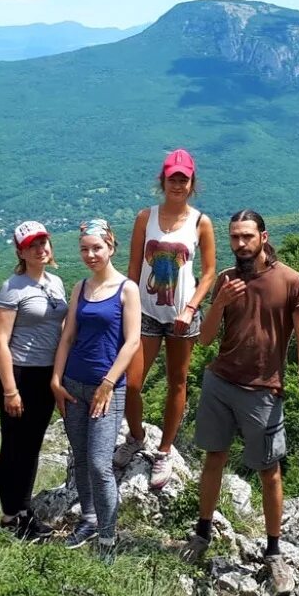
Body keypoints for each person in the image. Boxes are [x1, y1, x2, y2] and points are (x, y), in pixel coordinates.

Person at [179, 210, 299, 596]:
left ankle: (273, 553)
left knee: (269, 471)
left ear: (263, 237)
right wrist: (219, 302)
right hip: (221, 381)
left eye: (246, 237)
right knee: (213, 458)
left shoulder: (291, 281)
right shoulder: (226, 279)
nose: (239, 244)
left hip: (264, 389)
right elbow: (204, 340)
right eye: (234, 237)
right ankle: (202, 532)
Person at [116, 148, 215, 491]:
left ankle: (164, 450)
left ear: (191, 183)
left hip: (182, 318)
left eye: (183, 179)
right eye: (172, 178)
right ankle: (137, 435)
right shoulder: (146, 217)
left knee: (177, 382)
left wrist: (190, 309)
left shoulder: (201, 222)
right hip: (144, 311)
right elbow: (132, 267)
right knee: (131, 383)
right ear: (163, 180)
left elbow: (209, 272)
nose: (177, 184)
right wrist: (124, 306)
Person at [51, 219, 141, 556]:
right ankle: (88, 519)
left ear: (111, 248)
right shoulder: (80, 288)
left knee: (101, 464)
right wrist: (56, 380)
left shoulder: (126, 289)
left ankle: (107, 537)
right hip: (74, 385)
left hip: (108, 389)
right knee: (82, 459)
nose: (90, 254)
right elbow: (68, 337)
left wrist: (107, 384)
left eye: (96, 248)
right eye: (85, 249)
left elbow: (132, 342)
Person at [0, 221, 66, 540]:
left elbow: (61, 331)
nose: (41, 249)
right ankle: (10, 518)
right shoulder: (13, 287)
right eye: (33, 245)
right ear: (21, 251)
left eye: (44, 242)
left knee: (32, 446)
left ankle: (24, 512)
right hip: (20, 372)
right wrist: (9, 389)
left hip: (47, 374)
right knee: (13, 446)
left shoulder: (57, 282)